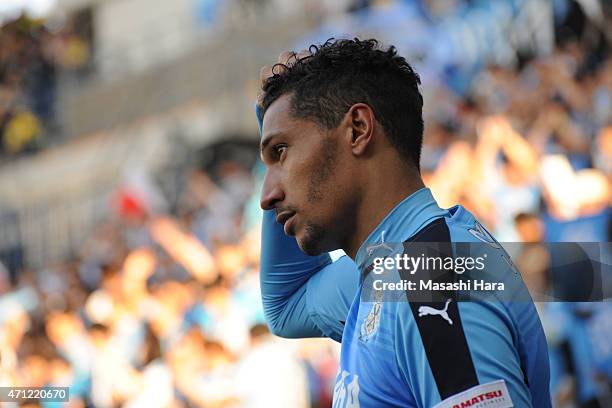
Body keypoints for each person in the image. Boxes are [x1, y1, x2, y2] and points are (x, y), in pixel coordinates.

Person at [257, 38, 550, 407]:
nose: (266, 196)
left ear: (358, 129)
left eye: (281, 152)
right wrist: (270, 116)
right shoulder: (390, 265)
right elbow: (287, 306)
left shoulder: (429, 276)